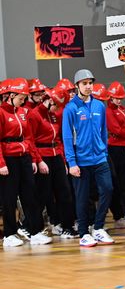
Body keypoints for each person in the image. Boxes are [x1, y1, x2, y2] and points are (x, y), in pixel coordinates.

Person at [62, 69, 114, 247]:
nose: (88, 86)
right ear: (77, 86)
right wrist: (72, 162)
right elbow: (67, 137)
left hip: (100, 159)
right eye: (84, 83)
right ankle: (84, 233)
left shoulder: (99, 106)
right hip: (80, 161)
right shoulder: (70, 108)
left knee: (107, 189)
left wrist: (104, 152)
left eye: (90, 83)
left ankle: (98, 227)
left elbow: (103, 131)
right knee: (82, 198)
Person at [0, 78, 52, 247]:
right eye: (21, 98)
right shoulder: (1, 113)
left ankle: (35, 232)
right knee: (9, 198)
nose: (23, 101)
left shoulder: (23, 112)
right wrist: (1, 164)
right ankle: (9, 234)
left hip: (25, 158)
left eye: (24, 98)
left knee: (30, 195)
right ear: (11, 95)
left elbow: (29, 138)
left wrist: (34, 159)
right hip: (9, 159)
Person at [28, 87, 77, 239]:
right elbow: (30, 140)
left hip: (56, 156)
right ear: (49, 100)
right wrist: (38, 160)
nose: (57, 109)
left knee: (65, 192)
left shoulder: (54, 116)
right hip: (43, 156)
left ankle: (67, 226)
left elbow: (58, 139)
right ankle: (33, 229)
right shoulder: (34, 115)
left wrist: (63, 160)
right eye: (56, 105)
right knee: (42, 195)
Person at [106, 81, 125, 229]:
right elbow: (116, 130)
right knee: (121, 182)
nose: (118, 100)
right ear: (110, 97)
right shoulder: (108, 111)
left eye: (120, 98)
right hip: (116, 149)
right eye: (116, 98)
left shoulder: (124, 109)